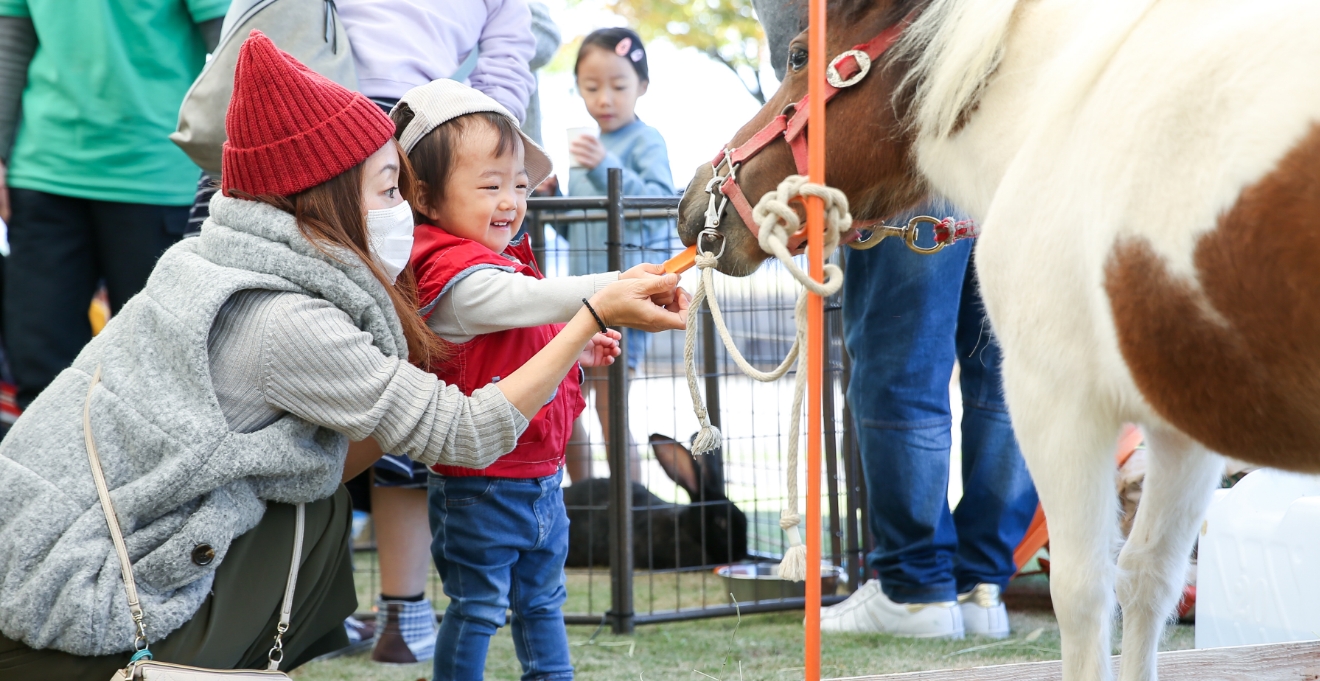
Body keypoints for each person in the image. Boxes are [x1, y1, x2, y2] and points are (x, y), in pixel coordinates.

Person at [0, 32, 687, 680]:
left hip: (33, 566)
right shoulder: (285, 320)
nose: (404, 211)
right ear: (325, 198)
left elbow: (365, 437)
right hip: (69, 608)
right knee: (317, 515)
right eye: (390, 189)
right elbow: (465, 432)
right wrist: (593, 309)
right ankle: (185, 662)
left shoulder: (206, 262)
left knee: (327, 481)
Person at [390, 78, 675, 681]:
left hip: (541, 478)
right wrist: (617, 286)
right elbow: (526, 302)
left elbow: (525, 337)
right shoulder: (449, 271)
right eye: (489, 185)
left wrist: (575, 352)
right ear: (427, 198)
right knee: (479, 608)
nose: (511, 200)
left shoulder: (498, 266)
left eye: (519, 185)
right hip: (479, 486)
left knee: (543, 601)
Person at [819, 203, 1038, 639]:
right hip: (1029, 159)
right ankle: (980, 589)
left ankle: (915, 590)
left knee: (903, 364)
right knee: (1007, 377)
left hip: (919, 161)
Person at [0, 0, 226, 411]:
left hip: (158, 178)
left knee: (156, 378)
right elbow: (11, 42)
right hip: (43, 173)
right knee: (41, 379)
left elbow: (233, 47)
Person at [563, 27, 676, 483]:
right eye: (591, 88)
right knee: (566, 402)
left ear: (642, 87)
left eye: (618, 85)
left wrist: (605, 166)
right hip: (582, 294)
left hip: (628, 292)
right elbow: (577, 231)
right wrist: (552, 201)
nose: (604, 98)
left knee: (611, 402)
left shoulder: (646, 141)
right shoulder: (584, 147)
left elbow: (657, 207)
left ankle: (626, 512)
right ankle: (586, 501)